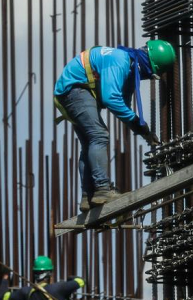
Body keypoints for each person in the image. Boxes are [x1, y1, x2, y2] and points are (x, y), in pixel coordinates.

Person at [54, 40, 176, 211]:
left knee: (90, 142)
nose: (147, 77)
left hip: (75, 91)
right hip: (75, 90)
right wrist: (138, 123)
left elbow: (123, 106)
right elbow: (110, 99)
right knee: (99, 136)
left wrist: (142, 131)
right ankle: (102, 190)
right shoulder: (121, 60)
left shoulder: (130, 69)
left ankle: (88, 197)